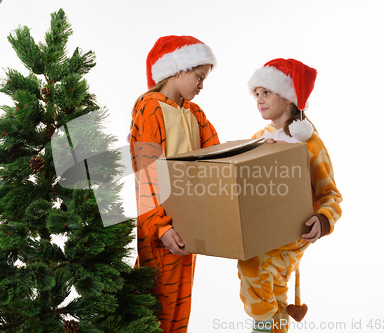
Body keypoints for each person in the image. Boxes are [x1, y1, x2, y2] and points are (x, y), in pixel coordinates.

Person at [238, 58, 343, 333]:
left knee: (253, 264)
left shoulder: (308, 141)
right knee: (273, 289)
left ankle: (262, 325)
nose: (259, 100)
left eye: (267, 92)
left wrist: (323, 219)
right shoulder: (260, 137)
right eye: (256, 94)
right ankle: (272, 327)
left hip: (294, 232)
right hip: (265, 227)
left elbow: (330, 193)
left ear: (288, 97)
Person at [129, 35, 219, 333]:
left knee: (180, 307)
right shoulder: (150, 107)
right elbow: (146, 173)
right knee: (156, 307)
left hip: (188, 226)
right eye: (199, 76)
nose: (202, 85)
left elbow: (219, 157)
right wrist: (160, 226)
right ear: (179, 69)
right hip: (160, 228)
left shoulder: (196, 114)